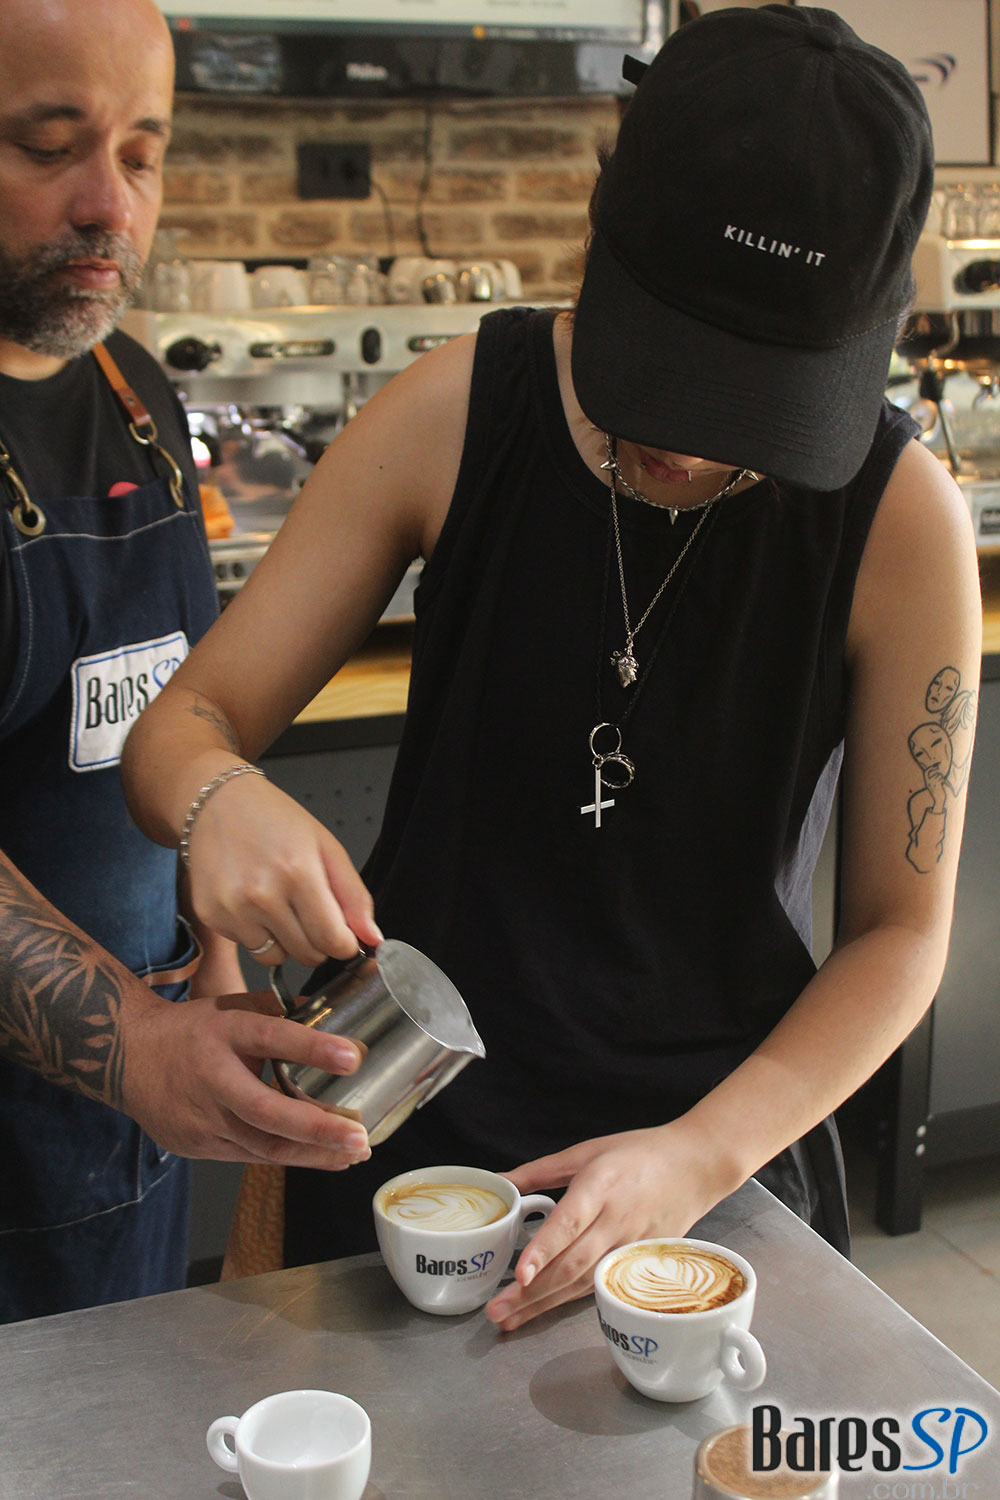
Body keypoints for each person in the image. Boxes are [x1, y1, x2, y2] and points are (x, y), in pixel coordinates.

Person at [122, 4, 982, 1331]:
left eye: (753, 402)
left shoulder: (900, 525)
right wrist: (216, 796)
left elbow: (901, 934)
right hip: (402, 1125)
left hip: (720, 1155)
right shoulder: (457, 413)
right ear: (601, 234)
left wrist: (697, 1154)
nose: (688, 447)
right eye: (667, 368)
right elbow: (186, 723)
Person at [0, 0, 375, 1325]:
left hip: (121, 1136)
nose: (110, 204)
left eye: (143, 153)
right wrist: (141, 1048)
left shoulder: (134, 393)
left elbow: (175, 711)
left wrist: (213, 969)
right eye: (49, 146)